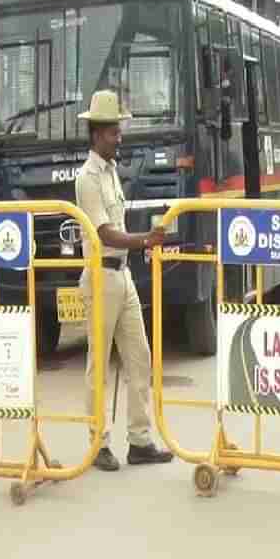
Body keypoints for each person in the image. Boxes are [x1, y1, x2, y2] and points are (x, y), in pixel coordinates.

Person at [74, 90, 174, 472]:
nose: (120, 137)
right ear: (98, 134)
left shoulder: (111, 171)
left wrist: (139, 244)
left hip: (123, 275)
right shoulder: (87, 178)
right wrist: (144, 241)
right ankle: (98, 444)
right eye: (114, 131)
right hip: (101, 274)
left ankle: (140, 440)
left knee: (139, 357)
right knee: (98, 365)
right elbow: (104, 233)